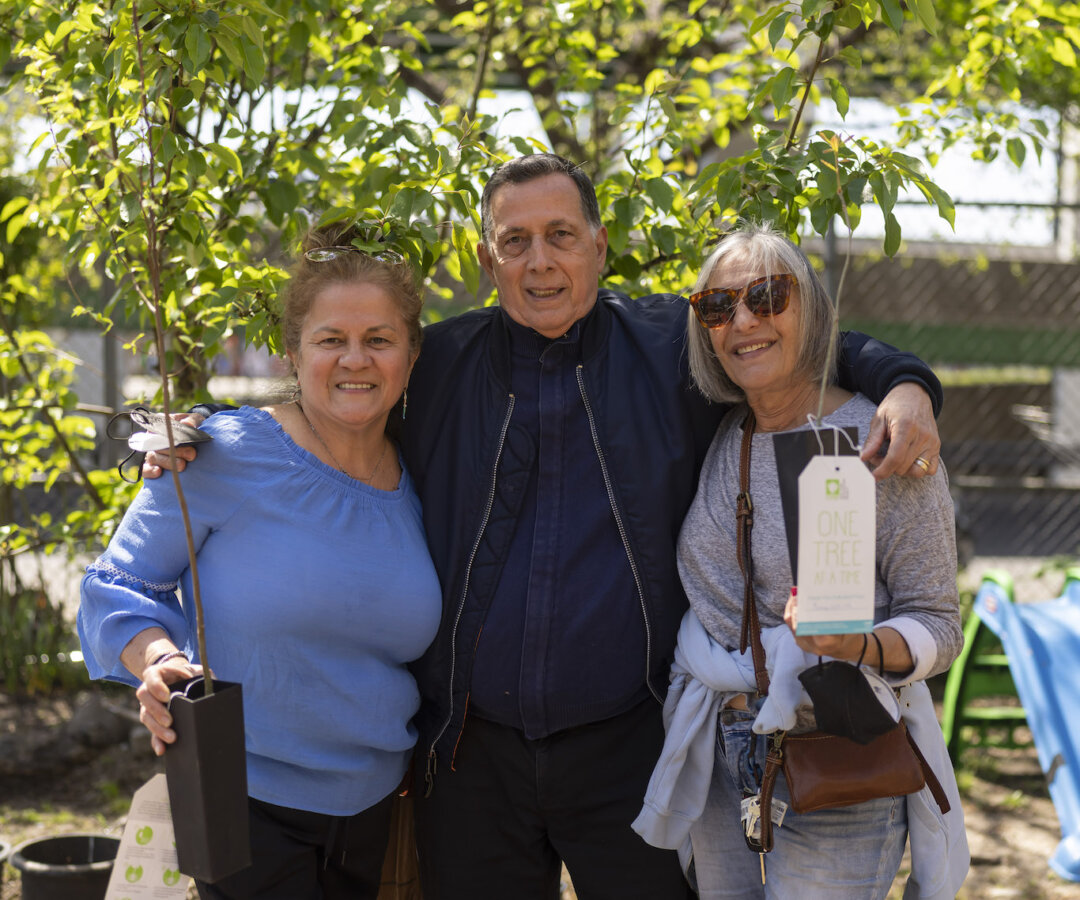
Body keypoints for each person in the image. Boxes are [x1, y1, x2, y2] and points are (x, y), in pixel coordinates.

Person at [145, 154, 945, 899]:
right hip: (468, 758)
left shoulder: (673, 345)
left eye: (561, 236)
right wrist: (210, 439)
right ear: (488, 261)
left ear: (599, 247)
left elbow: (796, 344)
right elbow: (337, 388)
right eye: (515, 242)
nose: (540, 262)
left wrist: (906, 382)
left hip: (629, 748)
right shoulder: (441, 362)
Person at [78, 225, 442, 900]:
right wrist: (158, 662)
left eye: (379, 340)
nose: (354, 360)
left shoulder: (428, 478)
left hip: (376, 813)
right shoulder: (222, 454)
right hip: (241, 802)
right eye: (331, 339)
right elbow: (116, 586)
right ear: (292, 352)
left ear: (411, 355)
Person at [633, 222, 966, 899]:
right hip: (722, 749)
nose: (743, 321)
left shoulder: (883, 443)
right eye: (718, 307)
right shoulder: (727, 432)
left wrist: (860, 645)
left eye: (766, 296)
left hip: (837, 747)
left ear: (809, 308)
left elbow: (938, 624)